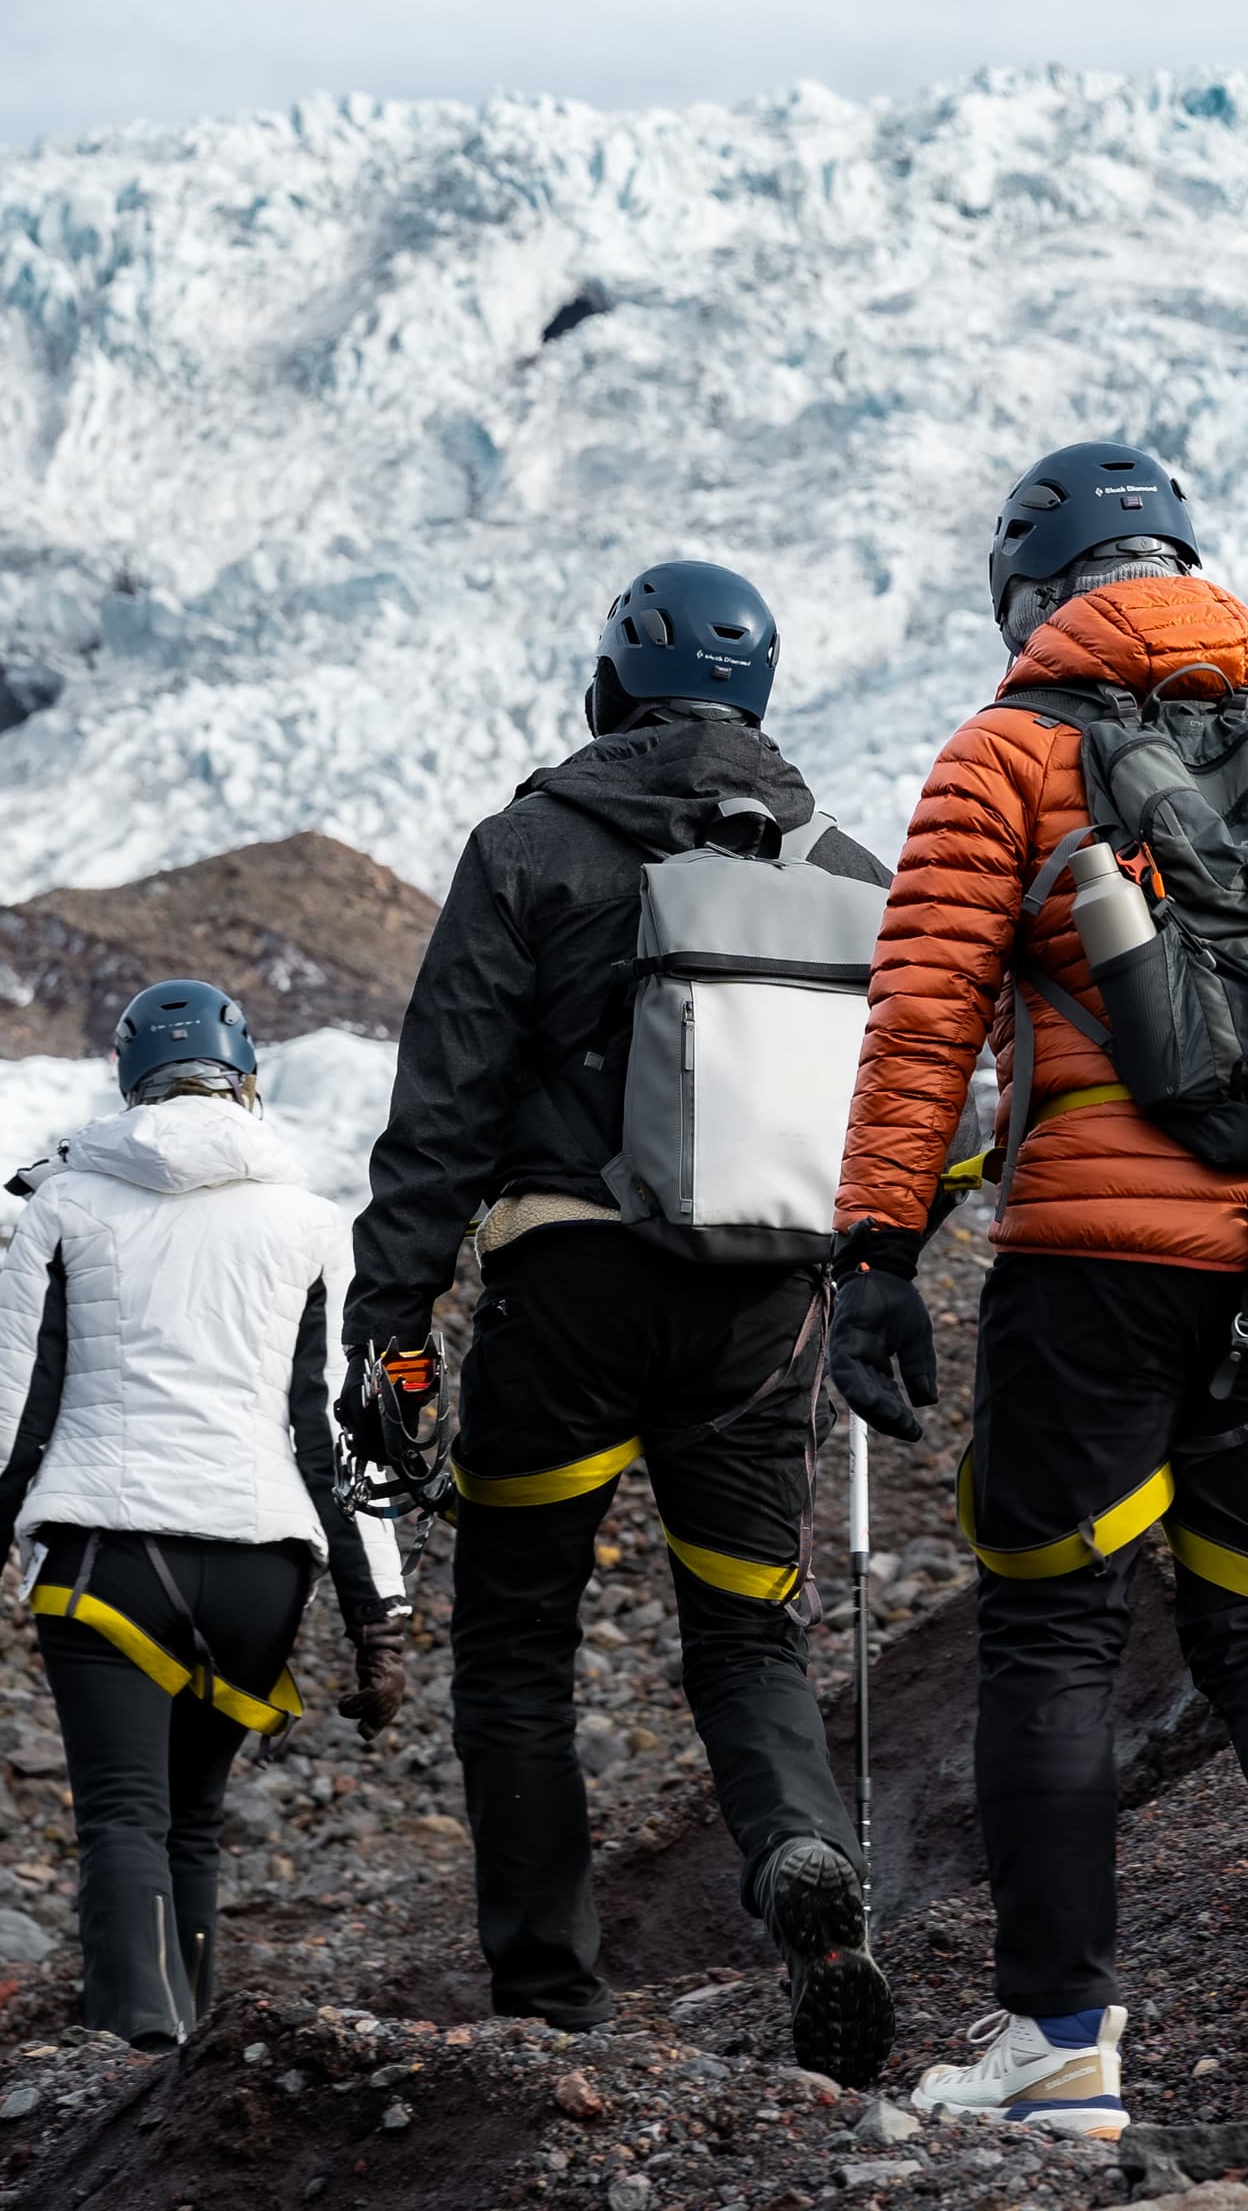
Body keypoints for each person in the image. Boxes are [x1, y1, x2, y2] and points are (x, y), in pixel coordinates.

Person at [827, 442, 1248, 2142]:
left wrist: (879, 1256)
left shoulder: (1008, 754)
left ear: (1029, 598)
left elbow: (920, 1027)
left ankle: (1061, 2049)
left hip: (1094, 1270)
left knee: (1052, 1627)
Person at [342, 560, 898, 2083]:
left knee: (519, 1639)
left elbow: (442, 1110)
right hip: (758, 1320)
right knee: (747, 1635)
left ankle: (550, 1997)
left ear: (609, 691)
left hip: (568, 1298)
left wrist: (388, 1323)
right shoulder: (847, 869)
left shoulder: (528, 847)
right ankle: (800, 1863)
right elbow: (899, 1114)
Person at [0, 979, 409, 2050]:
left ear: (128, 1080)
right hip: (261, 1568)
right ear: (247, 1078)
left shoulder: (66, 1204)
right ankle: (181, 2078)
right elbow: (334, 1432)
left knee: (123, 1819)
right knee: (192, 1824)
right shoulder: (311, 1219)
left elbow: (9, 1414)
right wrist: (380, 1615)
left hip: (110, 1554)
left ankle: (133, 2049)